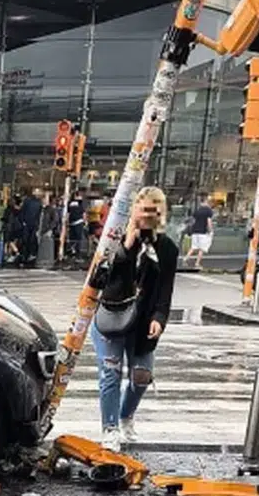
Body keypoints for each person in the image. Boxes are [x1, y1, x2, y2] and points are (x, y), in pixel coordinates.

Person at [89, 186, 179, 451]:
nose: (147, 216)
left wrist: (159, 317)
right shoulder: (115, 239)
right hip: (112, 316)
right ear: (134, 211)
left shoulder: (167, 248)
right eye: (143, 209)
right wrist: (127, 247)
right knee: (111, 372)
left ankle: (125, 416)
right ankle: (110, 428)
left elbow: (165, 288)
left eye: (153, 211)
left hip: (142, 321)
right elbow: (100, 277)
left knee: (141, 376)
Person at [186, 194, 214, 269]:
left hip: (195, 231)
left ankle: (185, 258)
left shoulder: (197, 210)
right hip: (202, 232)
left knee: (193, 247)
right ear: (206, 201)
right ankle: (197, 263)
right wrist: (210, 230)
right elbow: (209, 222)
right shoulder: (208, 211)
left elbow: (193, 221)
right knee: (202, 248)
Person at [19, 190, 44, 267]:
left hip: (29, 224)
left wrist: (23, 221)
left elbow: (22, 211)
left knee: (27, 241)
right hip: (31, 224)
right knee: (29, 241)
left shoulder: (28, 201)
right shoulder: (38, 203)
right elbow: (39, 215)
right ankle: (28, 256)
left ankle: (25, 256)